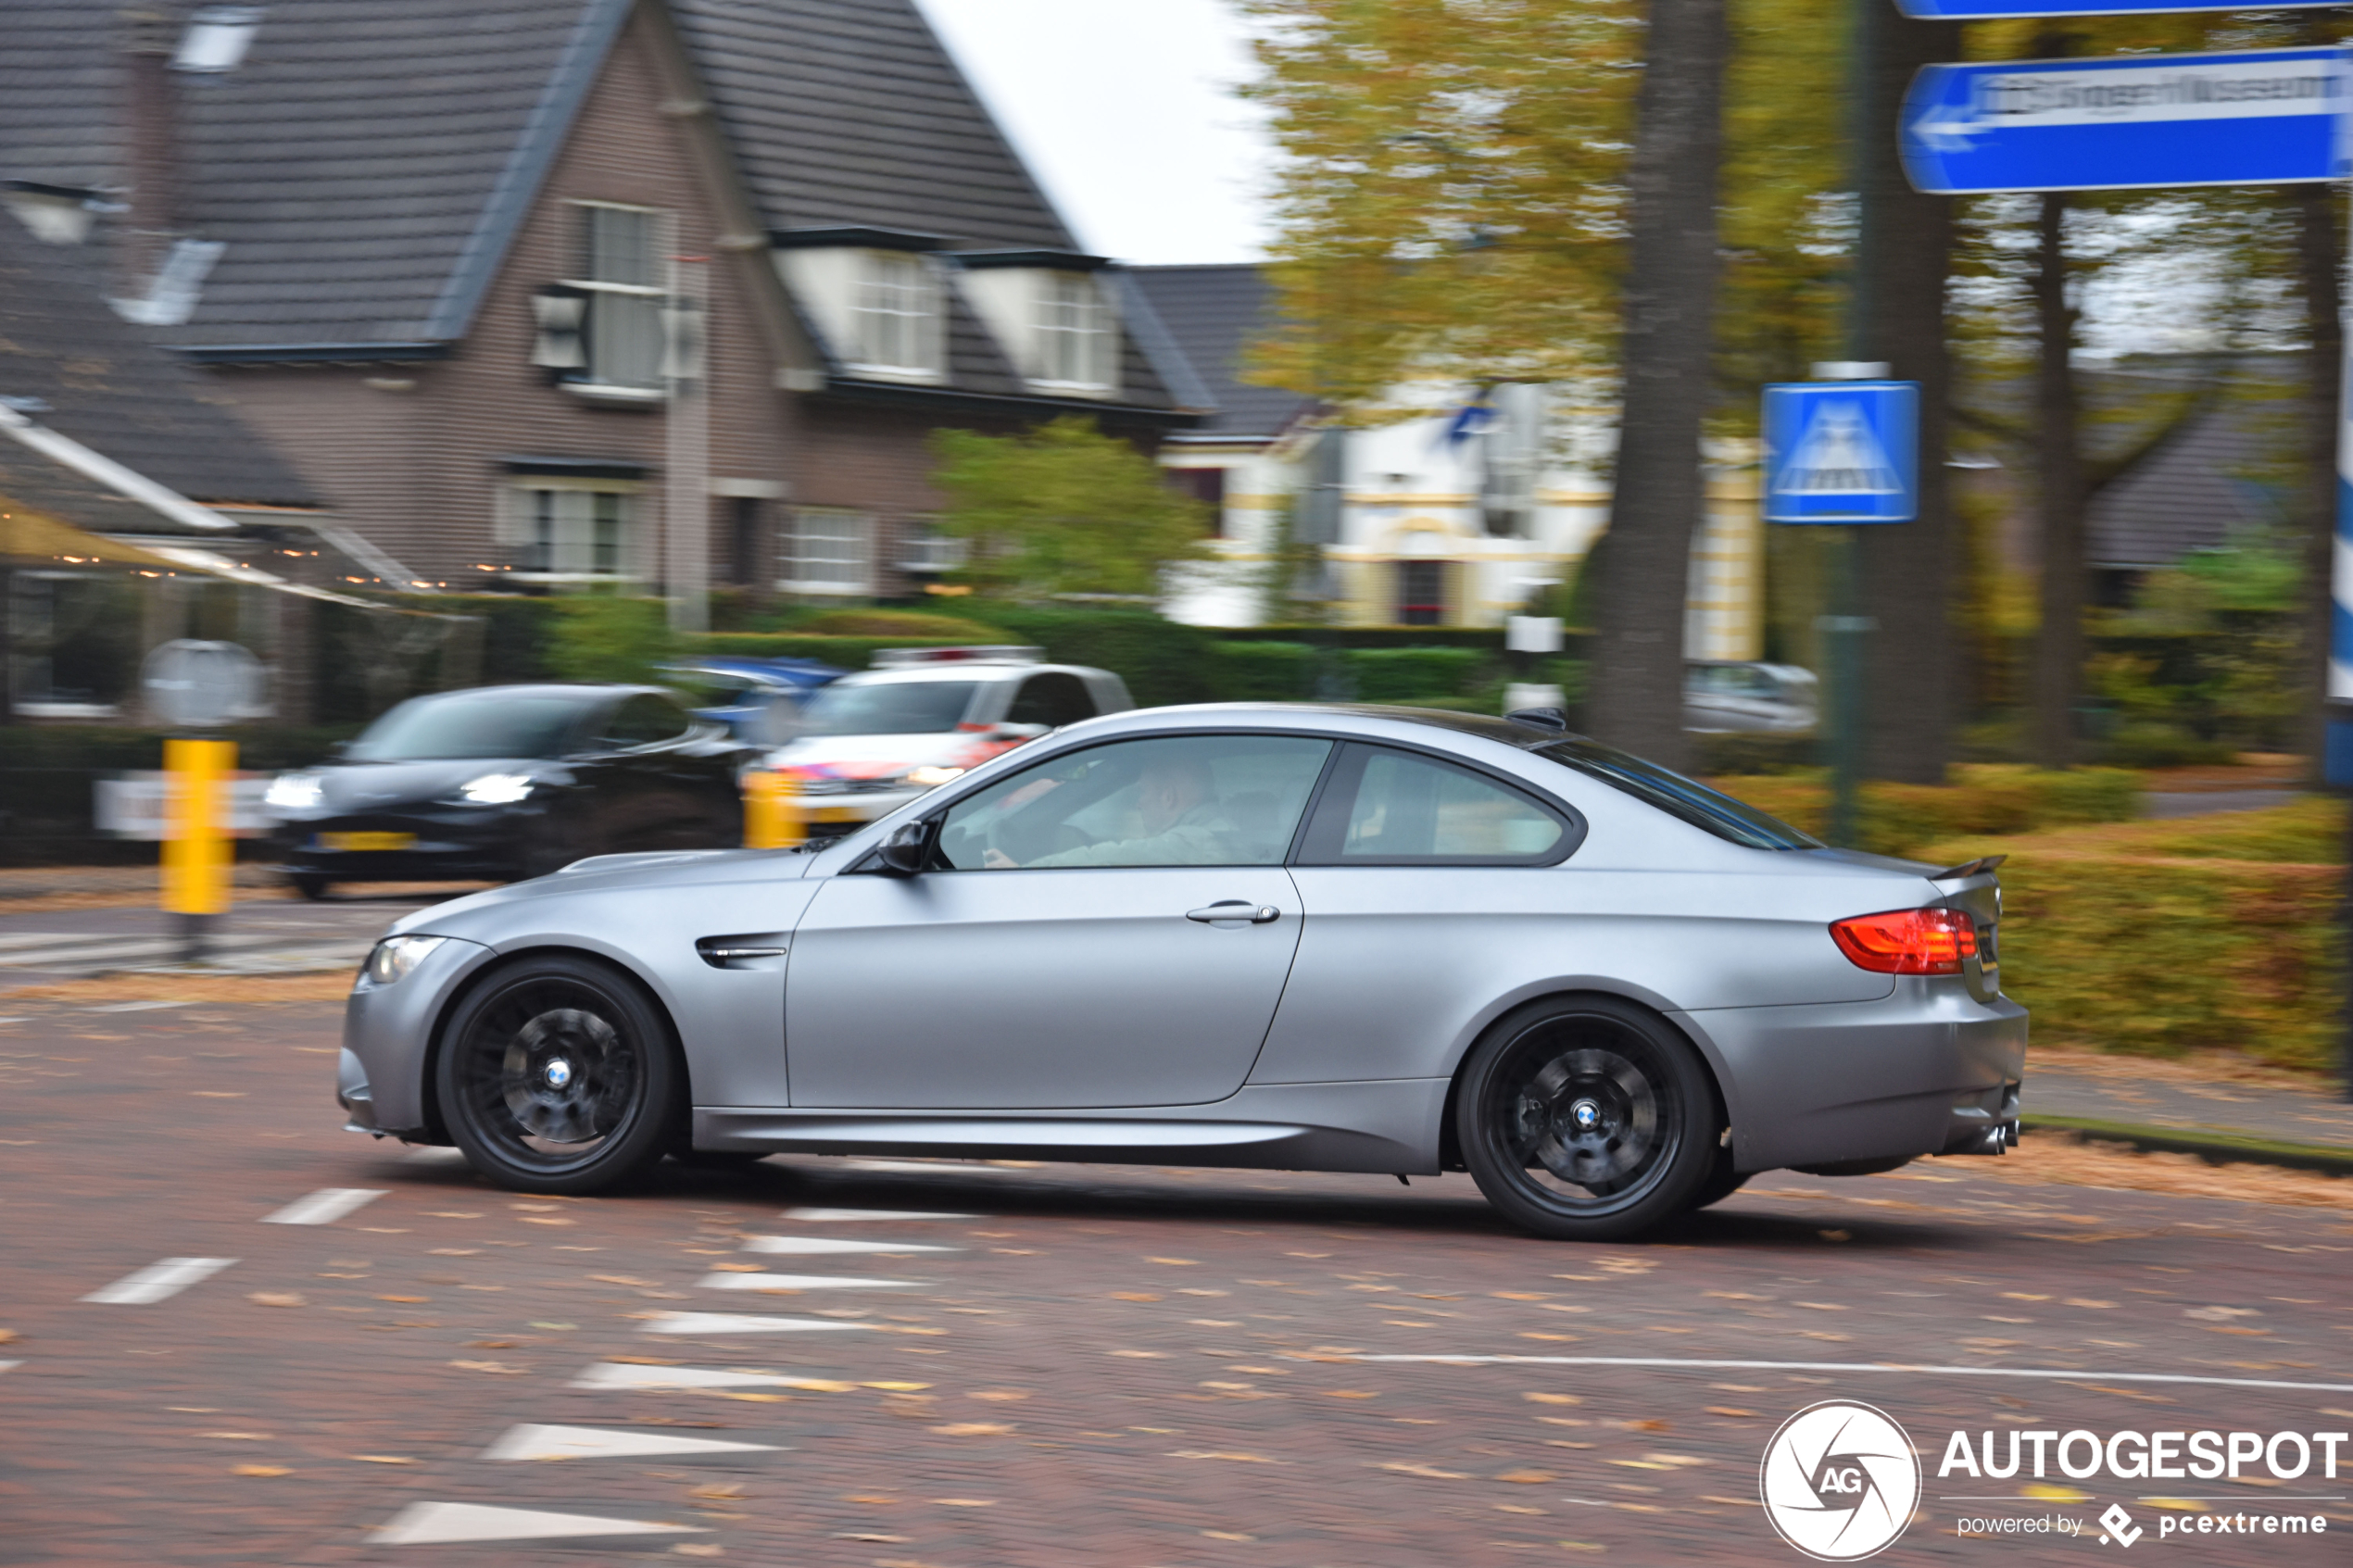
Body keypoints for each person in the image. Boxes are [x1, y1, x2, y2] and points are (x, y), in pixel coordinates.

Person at [983, 752, 1239, 868]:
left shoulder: (1196, 843)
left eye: (1143, 792)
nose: (1139, 804)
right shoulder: (1210, 835)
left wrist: (1022, 873)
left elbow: (1110, 857)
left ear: (1168, 797)